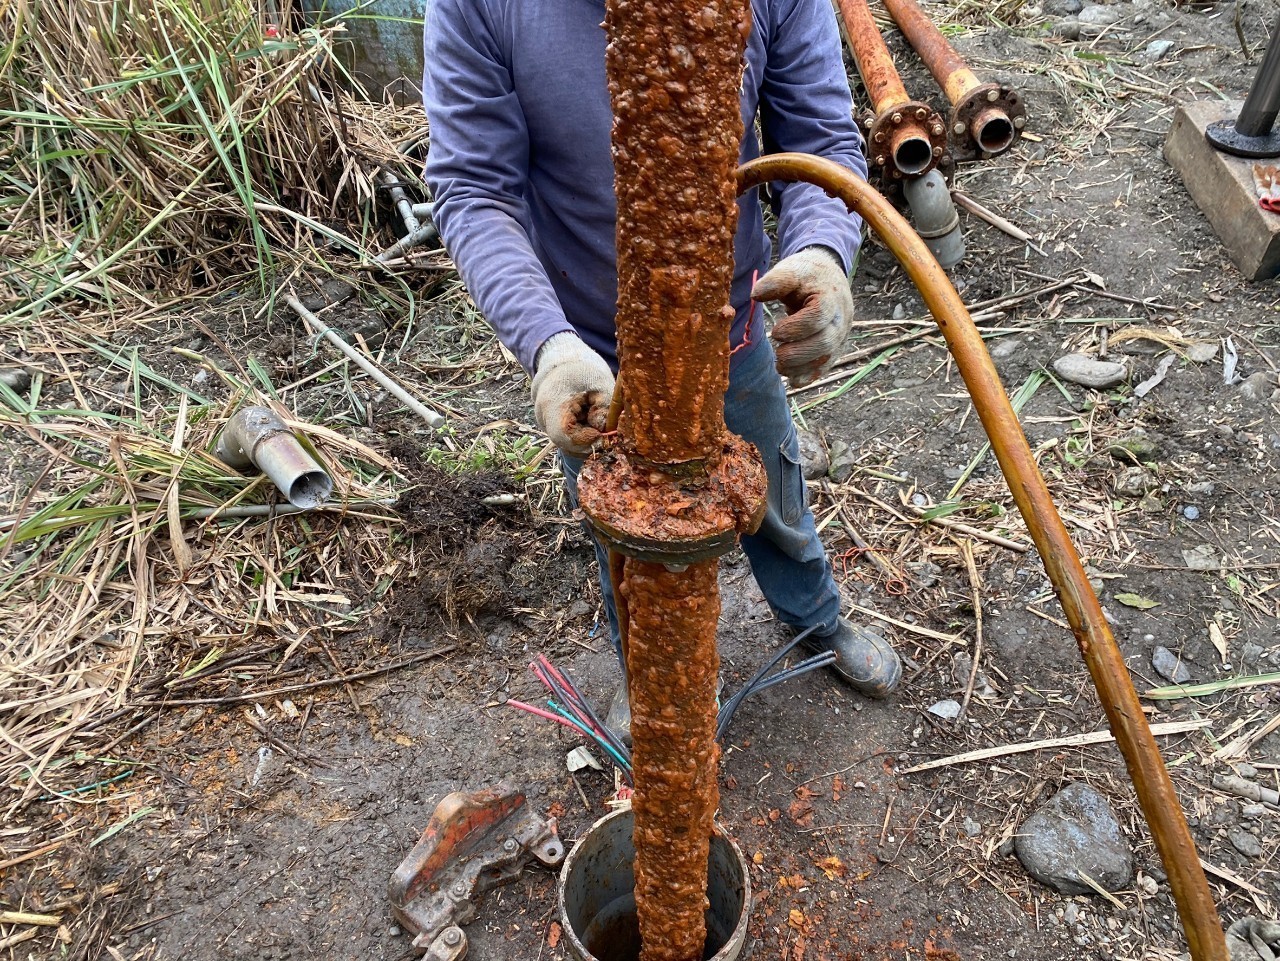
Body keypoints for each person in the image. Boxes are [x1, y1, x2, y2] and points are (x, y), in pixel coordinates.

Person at [422, 0, 902, 735]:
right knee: (625, 525)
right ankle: (649, 671)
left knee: (772, 483)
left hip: (729, 325)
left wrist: (825, 250)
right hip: (592, 356)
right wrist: (547, 345)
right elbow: (476, 188)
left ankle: (814, 617)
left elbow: (818, 136)